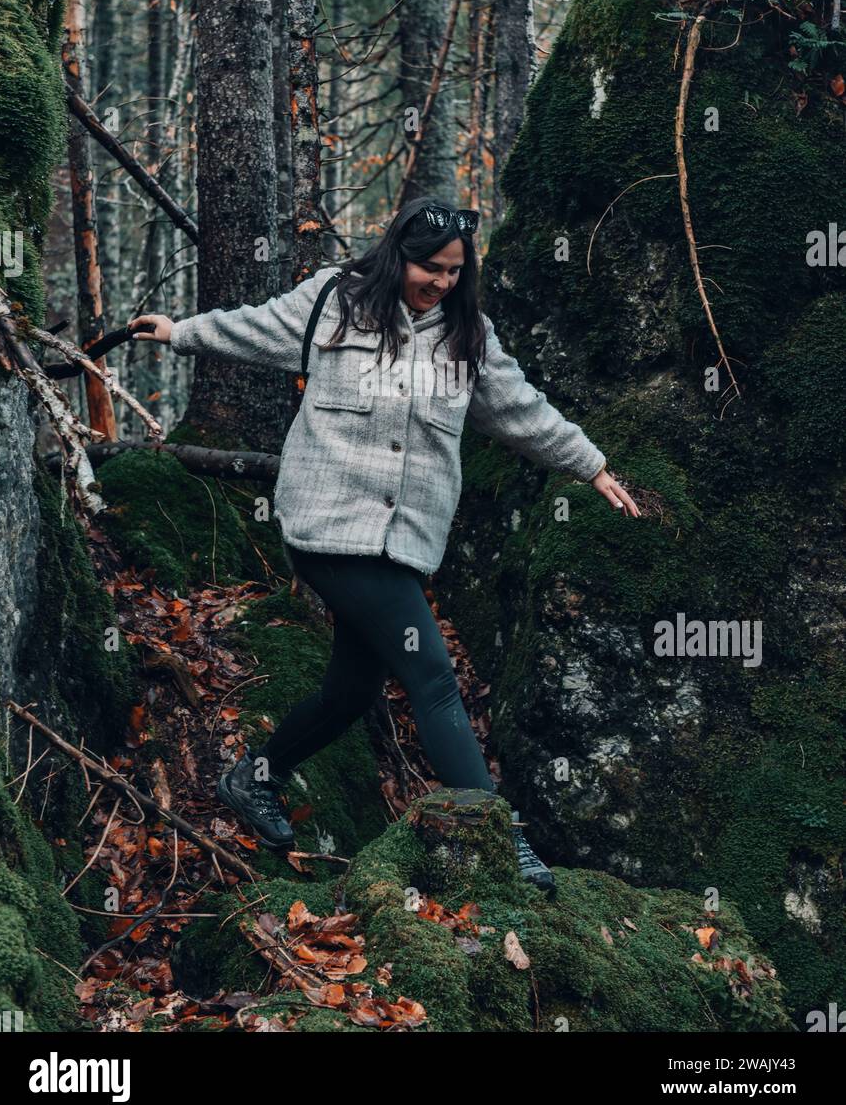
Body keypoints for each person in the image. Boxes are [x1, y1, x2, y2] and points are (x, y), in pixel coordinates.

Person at [130, 197, 639, 891]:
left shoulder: (469, 339)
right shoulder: (334, 303)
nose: (442, 282)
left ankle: (254, 779)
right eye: (431, 267)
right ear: (398, 254)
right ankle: (504, 842)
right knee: (431, 678)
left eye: (455, 271)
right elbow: (257, 328)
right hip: (327, 528)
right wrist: (180, 330)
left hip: (400, 542)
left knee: (350, 690)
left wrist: (591, 465)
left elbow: (524, 414)